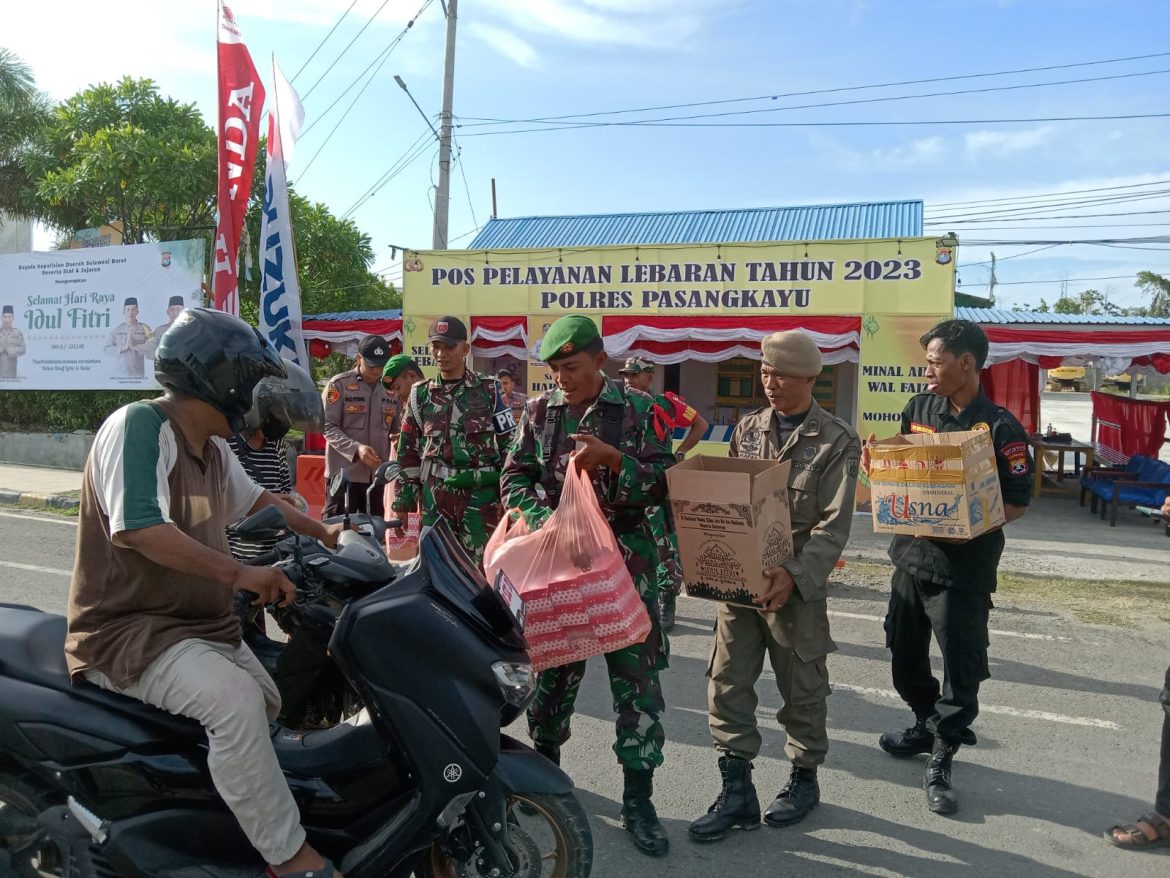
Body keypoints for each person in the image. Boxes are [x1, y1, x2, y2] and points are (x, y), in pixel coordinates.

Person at [65, 307, 346, 878]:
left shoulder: (213, 452)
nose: (257, 397)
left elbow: (262, 503)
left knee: (270, 701)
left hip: (195, 628)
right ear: (225, 381)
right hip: (129, 631)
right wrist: (242, 574)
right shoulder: (140, 427)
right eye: (251, 380)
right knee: (238, 705)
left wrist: (328, 534)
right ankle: (290, 859)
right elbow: (139, 528)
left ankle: (215, 814)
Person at [501, 315, 675, 858]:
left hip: (627, 567)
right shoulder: (539, 412)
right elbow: (515, 476)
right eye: (554, 369)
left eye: (571, 367)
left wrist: (614, 460)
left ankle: (638, 802)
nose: (562, 379)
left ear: (601, 361)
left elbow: (668, 483)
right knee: (551, 680)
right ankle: (544, 773)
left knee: (636, 687)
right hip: (562, 567)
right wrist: (543, 520)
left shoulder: (641, 411)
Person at [688, 331, 859, 843]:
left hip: (795, 590)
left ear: (810, 378)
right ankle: (737, 790)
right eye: (765, 371)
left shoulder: (836, 440)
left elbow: (834, 525)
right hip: (740, 586)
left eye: (781, 373)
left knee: (802, 692)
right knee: (726, 684)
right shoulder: (747, 429)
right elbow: (730, 502)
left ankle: (803, 781)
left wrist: (796, 575)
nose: (771, 382)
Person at [866, 318, 1032, 816]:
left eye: (935, 362)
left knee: (961, 666)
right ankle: (924, 720)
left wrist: (967, 518)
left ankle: (942, 755)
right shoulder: (919, 408)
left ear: (966, 363)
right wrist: (878, 465)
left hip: (965, 566)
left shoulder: (1001, 428)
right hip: (912, 556)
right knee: (903, 650)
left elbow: (1019, 503)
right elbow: (901, 467)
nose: (928, 371)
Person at [393, 317, 515, 567]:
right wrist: (404, 501)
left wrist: (509, 497)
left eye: (448, 347)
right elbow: (408, 452)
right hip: (435, 498)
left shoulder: (489, 390)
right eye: (435, 346)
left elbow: (510, 446)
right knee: (436, 568)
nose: (440, 353)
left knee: (482, 570)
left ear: (465, 349)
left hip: (480, 500)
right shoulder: (420, 394)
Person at [617, 355, 710, 632]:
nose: (628, 380)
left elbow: (700, 424)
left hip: (657, 482)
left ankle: (667, 601)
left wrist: (680, 452)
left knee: (665, 545)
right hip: (627, 484)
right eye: (625, 375)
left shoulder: (666, 404)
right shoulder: (619, 403)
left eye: (635, 375)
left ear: (649, 377)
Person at [226, 359, 317, 562]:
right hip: (237, 559)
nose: (283, 426)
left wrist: (289, 505)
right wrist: (262, 505)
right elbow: (216, 509)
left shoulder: (276, 446)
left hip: (274, 555)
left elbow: (286, 493)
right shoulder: (227, 445)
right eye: (277, 418)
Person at [322, 334, 397, 518]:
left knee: (375, 532)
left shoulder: (393, 388)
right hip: (345, 476)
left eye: (381, 365)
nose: (377, 370)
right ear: (358, 359)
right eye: (372, 365)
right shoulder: (339, 385)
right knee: (337, 532)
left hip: (379, 478)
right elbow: (327, 426)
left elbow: (395, 431)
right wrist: (357, 449)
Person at [104, 297, 153, 377]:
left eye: (133, 309)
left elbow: (153, 346)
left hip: (138, 376)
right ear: (123, 312)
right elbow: (106, 349)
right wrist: (122, 348)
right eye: (128, 309)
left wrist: (137, 347)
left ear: (137, 311)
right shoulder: (117, 329)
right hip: (120, 376)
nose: (130, 313)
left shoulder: (145, 328)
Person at [0, 305, 26, 380]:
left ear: (13, 318)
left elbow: (23, 348)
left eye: (9, 317)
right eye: (5, 317)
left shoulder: (17, 333)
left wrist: (12, 351)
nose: (7, 319)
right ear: (1, 318)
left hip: (11, 375)